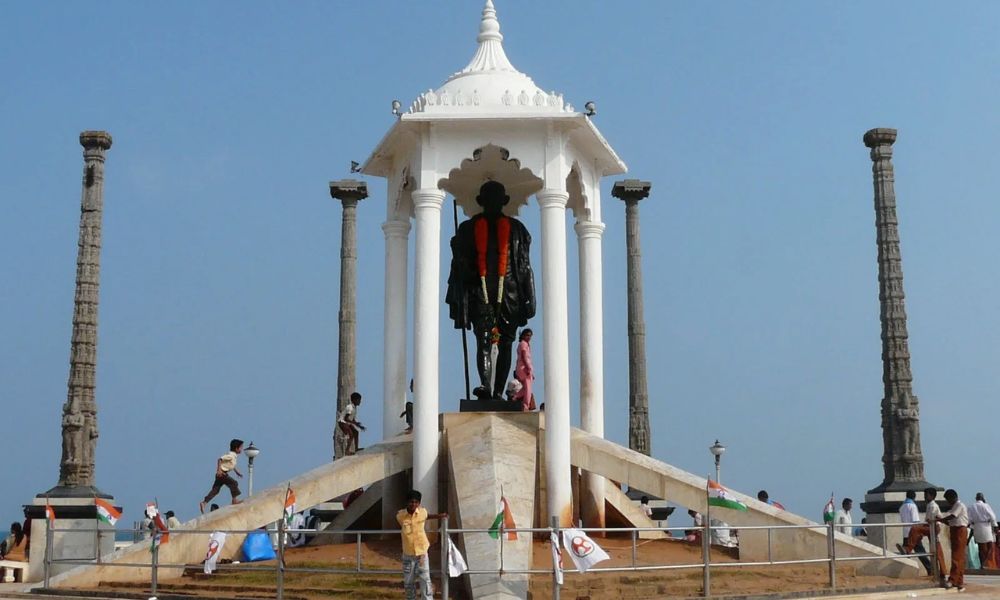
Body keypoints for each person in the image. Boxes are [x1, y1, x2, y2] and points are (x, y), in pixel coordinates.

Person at [445, 181, 536, 399]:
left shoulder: (517, 230)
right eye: (488, 199)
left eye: (497, 199)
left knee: (506, 342)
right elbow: (462, 265)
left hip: (510, 293)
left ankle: (497, 392)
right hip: (480, 291)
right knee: (483, 339)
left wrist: (531, 298)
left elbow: (525, 267)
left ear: (504, 202)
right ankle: (485, 385)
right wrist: (457, 251)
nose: (493, 203)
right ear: (481, 202)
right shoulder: (467, 229)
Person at [397, 489, 447, 600]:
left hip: (422, 554)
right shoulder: (401, 515)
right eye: (411, 502)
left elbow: (427, 516)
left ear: (419, 503)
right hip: (408, 555)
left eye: (416, 502)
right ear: (407, 502)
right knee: (409, 582)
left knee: (425, 579)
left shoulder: (422, 512)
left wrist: (440, 516)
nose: (413, 504)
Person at [899, 487, 946, 584]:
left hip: (932, 528)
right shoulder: (922, 505)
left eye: (926, 495)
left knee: (916, 530)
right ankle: (938, 571)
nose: (924, 497)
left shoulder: (932, 506)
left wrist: (919, 531)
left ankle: (907, 549)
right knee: (934, 550)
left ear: (932, 496)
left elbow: (930, 520)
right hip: (927, 528)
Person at [199, 438, 244, 513]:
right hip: (222, 474)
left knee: (215, 490)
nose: (241, 449)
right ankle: (234, 500)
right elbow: (220, 459)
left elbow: (231, 465)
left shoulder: (233, 456)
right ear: (236, 448)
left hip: (221, 474)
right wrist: (219, 470)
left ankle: (204, 503)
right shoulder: (231, 455)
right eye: (241, 447)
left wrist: (237, 472)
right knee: (234, 483)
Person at [937, 489, 969, 590]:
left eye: (948, 499)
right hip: (955, 530)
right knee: (958, 557)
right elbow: (950, 520)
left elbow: (952, 516)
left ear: (952, 497)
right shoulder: (954, 507)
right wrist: (941, 519)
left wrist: (941, 519)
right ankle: (959, 581)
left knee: (956, 556)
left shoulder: (959, 505)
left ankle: (952, 580)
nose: (948, 502)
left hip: (960, 531)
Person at [899, 490, 932, 574]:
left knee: (907, 554)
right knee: (921, 552)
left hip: (905, 532)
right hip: (913, 533)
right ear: (914, 497)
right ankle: (930, 569)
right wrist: (920, 532)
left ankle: (905, 572)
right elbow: (915, 521)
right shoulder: (912, 506)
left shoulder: (902, 507)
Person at [969, 492, 997, 569]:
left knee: (980, 548)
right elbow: (992, 516)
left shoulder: (971, 507)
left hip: (977, 527)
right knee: (990, 546)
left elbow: (970, 519)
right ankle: (984, 562)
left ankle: (982, 563)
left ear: (976, 498)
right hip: (986, 527)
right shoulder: (986, 505)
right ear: (982, 498)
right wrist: (995, 526)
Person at [335, 392, 366, 457]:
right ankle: (347, 451)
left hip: (347, 422)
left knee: (356, 432)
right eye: (359, 400)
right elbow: (346, 418)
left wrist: (359, 426)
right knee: (351, 435)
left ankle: (356, 448)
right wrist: (355, 423)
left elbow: (352, 419)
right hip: (342, 422)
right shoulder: (350, 407)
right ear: (354, 400)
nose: (360, 401)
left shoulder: (354, 408)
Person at [514, 329, 535, 411]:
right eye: (527, 335)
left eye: (530, 335)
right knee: (528, 389)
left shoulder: (524, 344)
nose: (529, 337)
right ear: (523, 335)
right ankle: (525, 405)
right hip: (524, 368)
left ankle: (515, 396)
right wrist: (528, 368)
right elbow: (524, 357)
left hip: (523, 368)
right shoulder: (523, 344)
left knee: (526, 388)